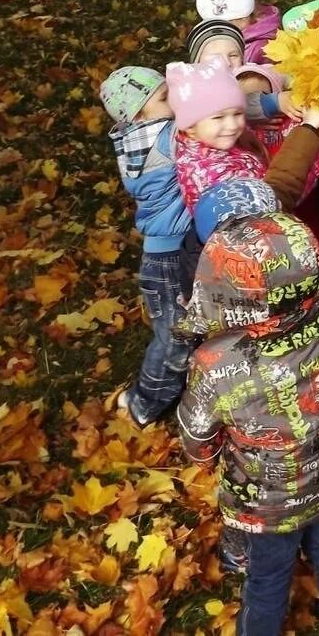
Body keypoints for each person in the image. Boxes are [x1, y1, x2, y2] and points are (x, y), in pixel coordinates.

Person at [177, 213, 319, 635]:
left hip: (265, 501)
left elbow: (197, 432)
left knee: (266, 576)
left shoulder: (216, 361)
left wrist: (207, 457)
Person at [98, 67, 191, 426]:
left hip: (168, 252)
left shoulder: (134, 134)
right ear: (139, 114)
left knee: (184, 329)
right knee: (173, 338)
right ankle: (143, 402)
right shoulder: (163, 137)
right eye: (165, 98)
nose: (177, 101)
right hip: (167, 261)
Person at [166, 59, 267, 213]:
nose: (232, 125)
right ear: (190, 127)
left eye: (238, 113)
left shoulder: (217, 140)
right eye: (218, 117)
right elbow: (273, 196)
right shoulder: (209, 172)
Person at [195, 0, 281, 64]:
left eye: (236, 20)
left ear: (249, 15)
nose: (229, 30)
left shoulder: (261, 50)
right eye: (221, 25)